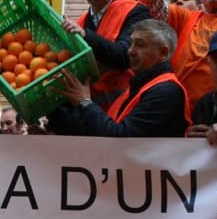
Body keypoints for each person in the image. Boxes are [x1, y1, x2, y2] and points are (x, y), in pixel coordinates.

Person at [49, 19, 190, 138]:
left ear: (163, 53)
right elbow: (95, 134)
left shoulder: (166, 92)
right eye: (131, 43)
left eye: (140, 45)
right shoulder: (138, 88)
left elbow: (118, 139)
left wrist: (84, 102)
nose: (130, 51)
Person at [62, 0, 153, 108]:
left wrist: (86, 35)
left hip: (125, 105)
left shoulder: (135, 11)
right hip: (90, 108)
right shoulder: (81, 22)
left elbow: (126, 56)